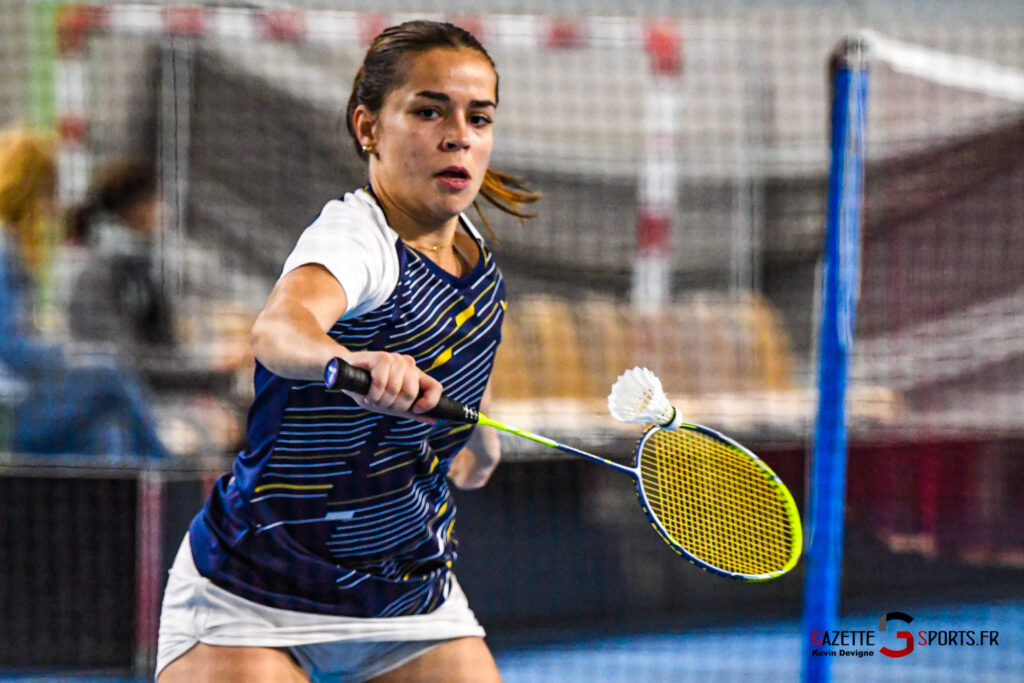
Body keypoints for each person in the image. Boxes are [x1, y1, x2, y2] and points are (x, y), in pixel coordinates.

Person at [156, 20, 540, 683]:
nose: (459, 135)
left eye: (479, 118)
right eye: (428, 110)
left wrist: (471, 432)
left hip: (409, 597)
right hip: (256, 592)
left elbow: (448, 368)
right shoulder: (356, 239)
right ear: (368, 128)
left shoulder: (473, 252)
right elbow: (280, 328)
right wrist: (353, 367)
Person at [0, 126, 170, 458]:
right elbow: (10, 348)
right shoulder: (3, 252)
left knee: (106, 432)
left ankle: (124, 505)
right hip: (9, 414)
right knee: (107, 372)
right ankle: (175, 476)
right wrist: (64, 352)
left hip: (18, 403)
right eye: (51, 194)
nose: (55, 207)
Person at [66, 159, 174, 353]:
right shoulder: (110, 264)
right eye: (157, 200)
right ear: (138, 209)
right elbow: (122, 352)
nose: (164, 210)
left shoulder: (133, 259)